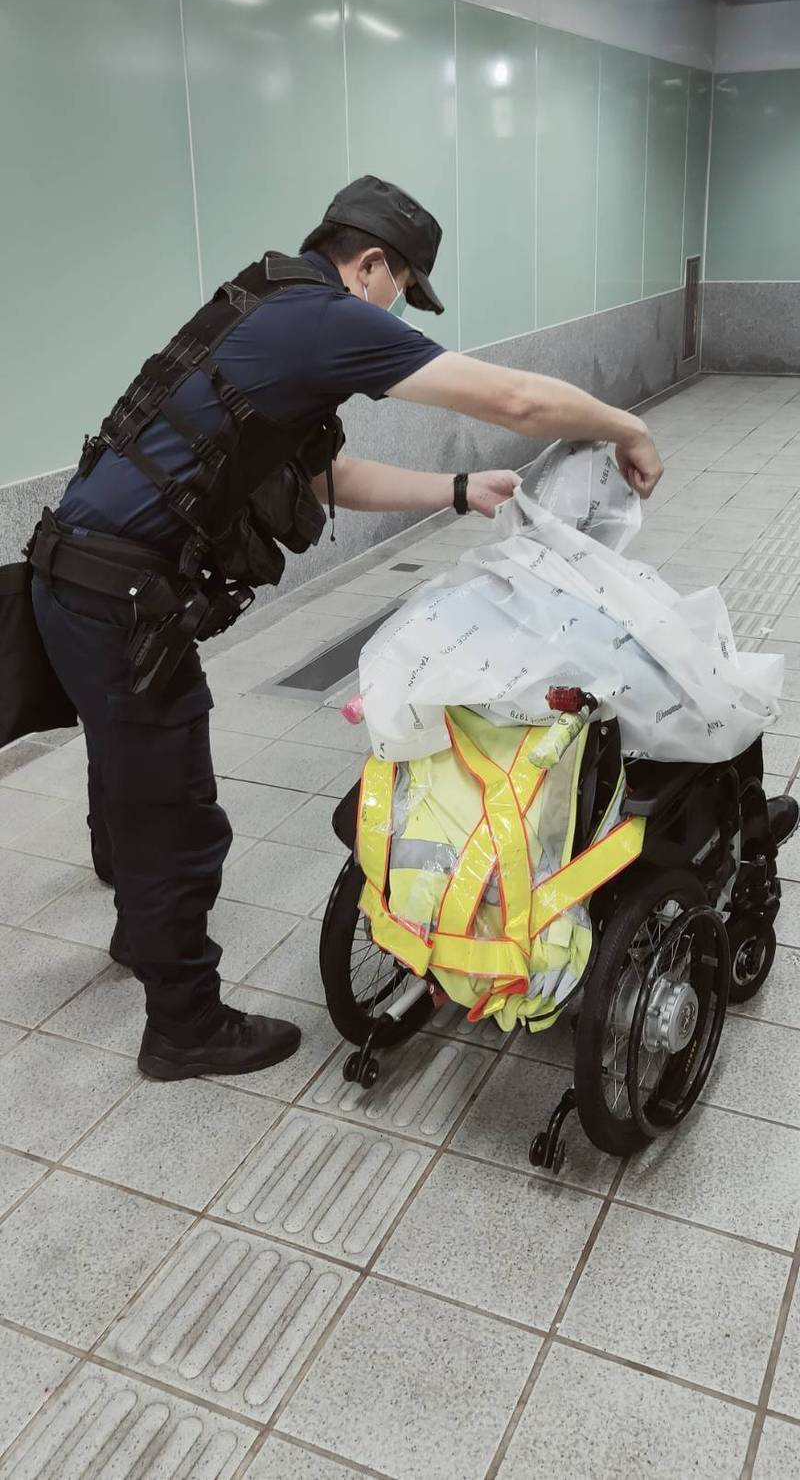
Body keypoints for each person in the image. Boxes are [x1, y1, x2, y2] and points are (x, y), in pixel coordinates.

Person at [28, 175, 779, 1088]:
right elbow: (519, 403)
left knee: (127, 768)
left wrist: (457, 493)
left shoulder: (262, 299)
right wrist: (626, 424)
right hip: (120, 600)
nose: (397, 310)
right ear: (370, 262)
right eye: (400, 289)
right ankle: (181, 1022)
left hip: (73, 575)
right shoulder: (328, 318)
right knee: (178, 813)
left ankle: (140, 926)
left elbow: (317, 477)